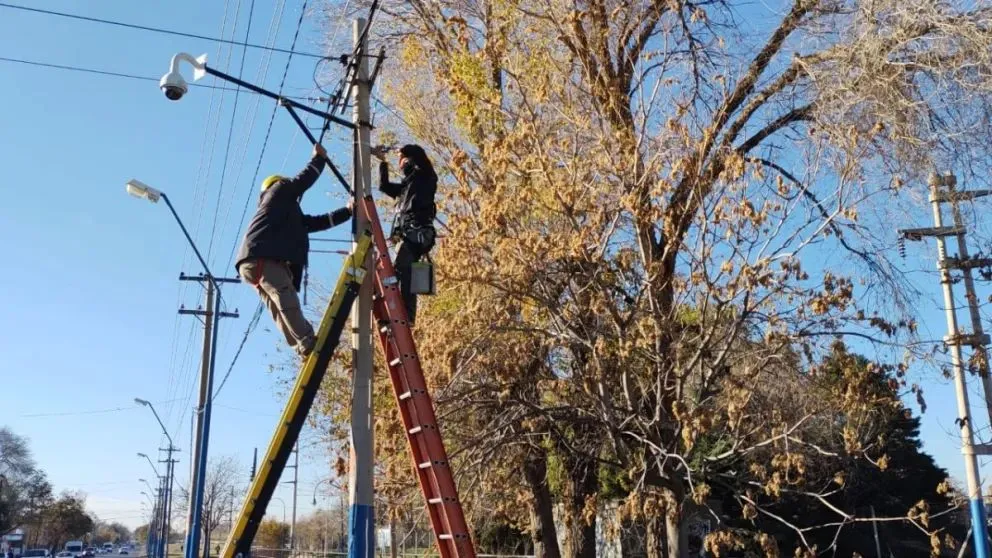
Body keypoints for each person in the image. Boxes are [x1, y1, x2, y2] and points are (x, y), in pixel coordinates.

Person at [235, 143, 352, 358]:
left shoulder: (282, 214)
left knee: (277, 308)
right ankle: (306, 338)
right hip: (262, 257)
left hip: (250, 262)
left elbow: (314, 223)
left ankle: (300, 345)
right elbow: (301, 182)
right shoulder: (278, 191)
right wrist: (319, 159)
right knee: (285, 296)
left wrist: (346, 212)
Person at [379, 144, 438, 325]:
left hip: (418, 232)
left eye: (404, 161)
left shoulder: (426, 176)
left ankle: (405, 316)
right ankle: (404, 315)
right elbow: (384, 186)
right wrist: (382, 161)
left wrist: (401, 149)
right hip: (409, 234)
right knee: (403, 271)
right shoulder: (405, 188)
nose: (401, 164)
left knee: (400, 270)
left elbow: (420, 154)